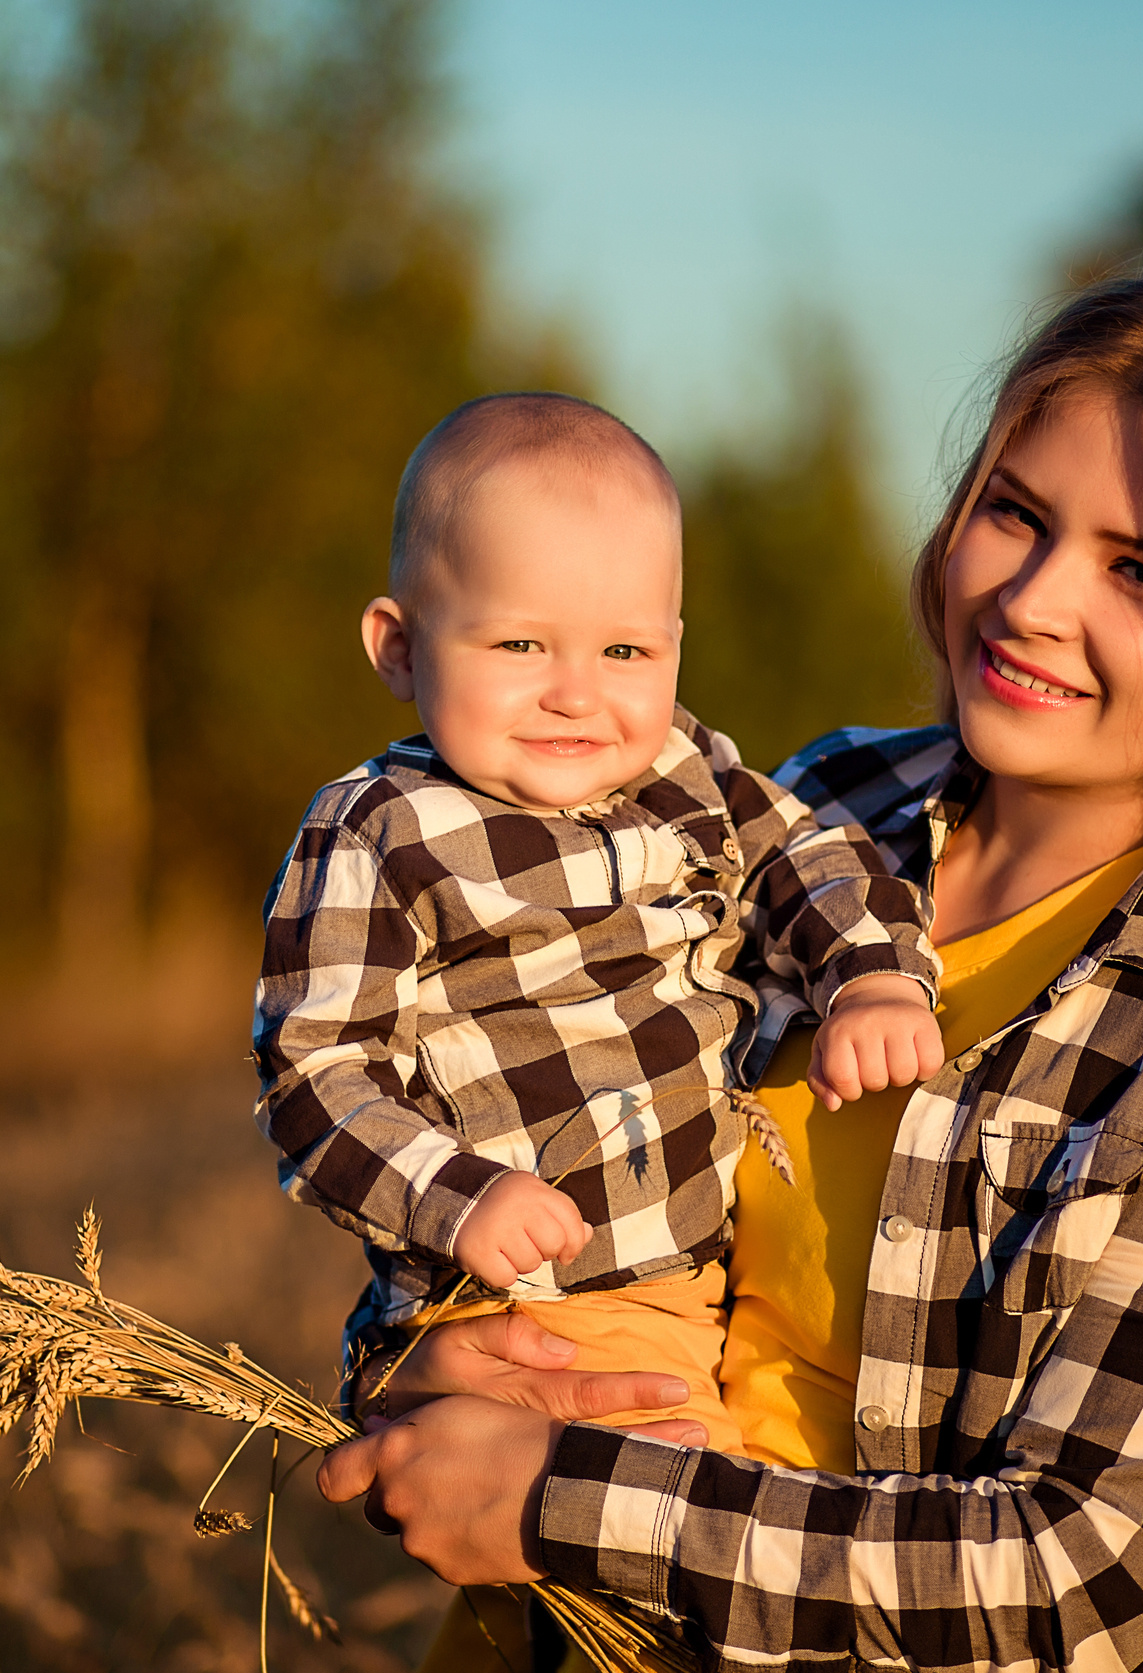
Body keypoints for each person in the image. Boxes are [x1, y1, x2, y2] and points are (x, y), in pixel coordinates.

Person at [319, 268, 1143, 1673]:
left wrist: (562, 1500)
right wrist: (430, 1376)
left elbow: (1079, 1581)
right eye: (1016, 512)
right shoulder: (816, 809)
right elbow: (490, 1108)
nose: (1032, 598)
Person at [253, 392, 946, 1464]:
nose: (576, 695)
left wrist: (872, 975)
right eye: (520, 643)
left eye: (624, 650)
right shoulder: (384, 831)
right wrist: (461, 1198)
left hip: (702, 1279)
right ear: (399, 647)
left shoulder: (687, 770)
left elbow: (806, 857)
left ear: (675, 646)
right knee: (687, 1523)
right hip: (536, 1299)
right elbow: (315, 1074)